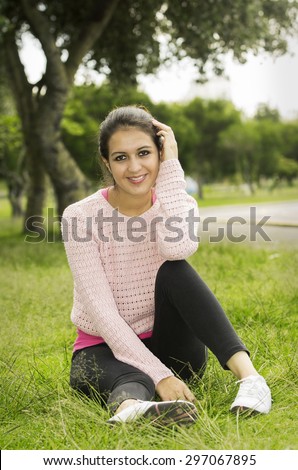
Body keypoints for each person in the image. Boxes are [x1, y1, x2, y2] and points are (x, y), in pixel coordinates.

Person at [61, 105, 271, 425]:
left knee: (175, 269)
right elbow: (102, 314)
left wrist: (172, 167)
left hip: (172, 347)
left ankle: (252, 380)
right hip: (102, 348)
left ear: (159, 152)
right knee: (129, 379)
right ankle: (133, 411)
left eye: (144, 153)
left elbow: (178, 248)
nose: (134, 167)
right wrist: (160, 376)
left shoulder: (175, 202)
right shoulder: (79, 217)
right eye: (120, 157)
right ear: (106, 162)